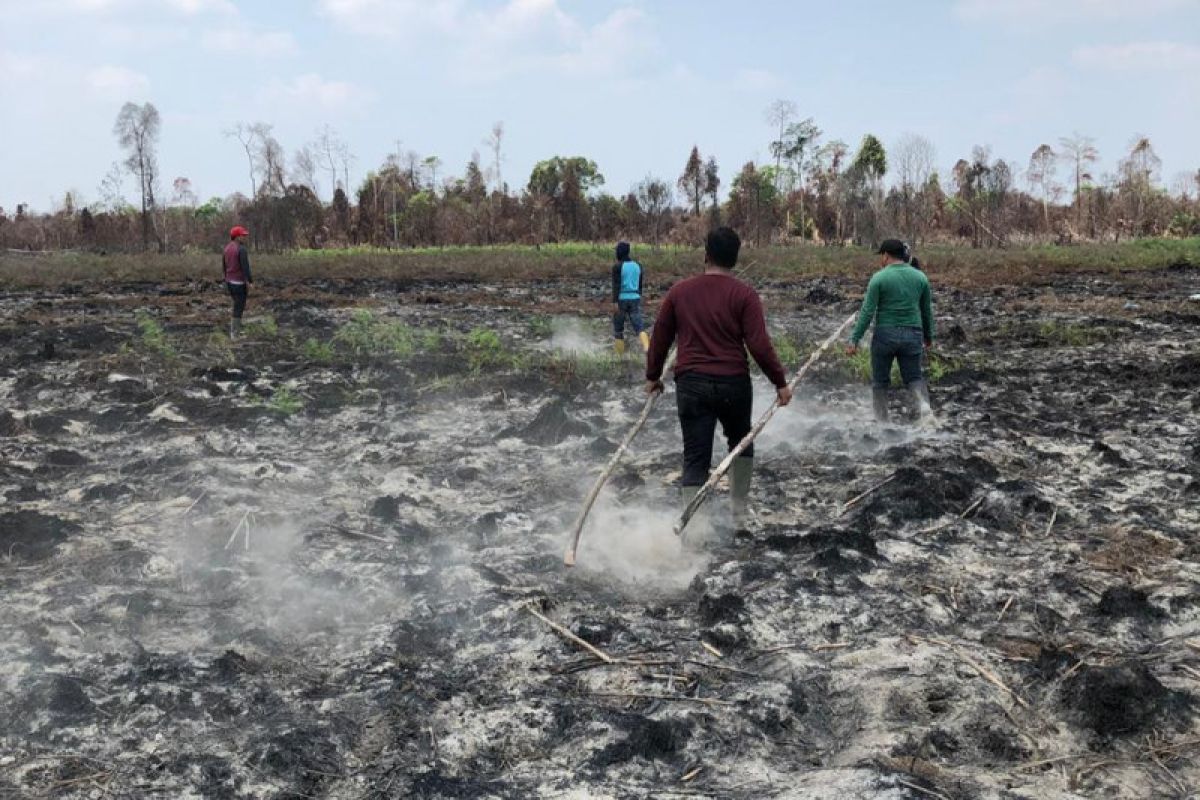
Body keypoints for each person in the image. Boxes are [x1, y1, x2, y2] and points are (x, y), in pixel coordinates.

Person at [645, 227, 792, 534]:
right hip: (733, 384)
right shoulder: (744, 294)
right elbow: (759, 344)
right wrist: (780, 383)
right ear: (735, 258)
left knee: (695, 457)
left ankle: (695, 535)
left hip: (691, 385)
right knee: (741, 444)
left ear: (706, 254)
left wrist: (653, 376)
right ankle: (738, 517)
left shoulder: (679, 292)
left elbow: (660, 337)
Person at [847, 238, 935, 421]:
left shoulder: (879, 278)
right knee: (914, 377)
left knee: (880, 382)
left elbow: (867, 312)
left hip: (885, 335)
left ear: (886, 256)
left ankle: (882, 421)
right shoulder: (920, 278)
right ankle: (924, 407)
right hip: (913, 334)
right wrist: (928, 336)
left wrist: (854, 339)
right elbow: (926, 311)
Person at [611, 241, 650, 354]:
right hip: (635, 298)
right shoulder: (638, 265)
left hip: (621, 299)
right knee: (639, 326)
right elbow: (640, 285)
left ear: (619, 252)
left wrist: (614, 302)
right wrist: (639, 297)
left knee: (618, 329)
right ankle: (647, 347)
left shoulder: (617, 267)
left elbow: (616, 286)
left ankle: (619, 355)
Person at [223, 226, 252, 338]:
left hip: (230, 282)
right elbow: (245, 267)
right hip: (239, 283)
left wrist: (226, 280)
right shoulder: (241, 249)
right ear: (237, 237)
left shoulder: (226, 249)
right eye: (242, 235)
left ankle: (236, 330)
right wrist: (250, 281)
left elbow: (224, 267)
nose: (244, 237)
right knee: (239, 307)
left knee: (236, 305)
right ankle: (235, 333)